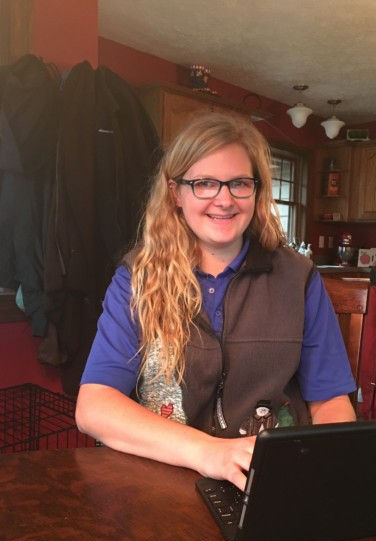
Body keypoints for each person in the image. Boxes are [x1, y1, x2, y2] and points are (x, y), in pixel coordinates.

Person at [76, 111, 356, 492]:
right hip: (157, 486)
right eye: (205, 183)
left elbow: (330, 404)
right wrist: (209, 453)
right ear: (175, 193)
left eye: (239, 183)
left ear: (256, 190)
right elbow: (94, 406)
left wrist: (329, 472)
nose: (224, 200)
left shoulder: (299, 279)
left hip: (264, 484)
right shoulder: (136, 278)